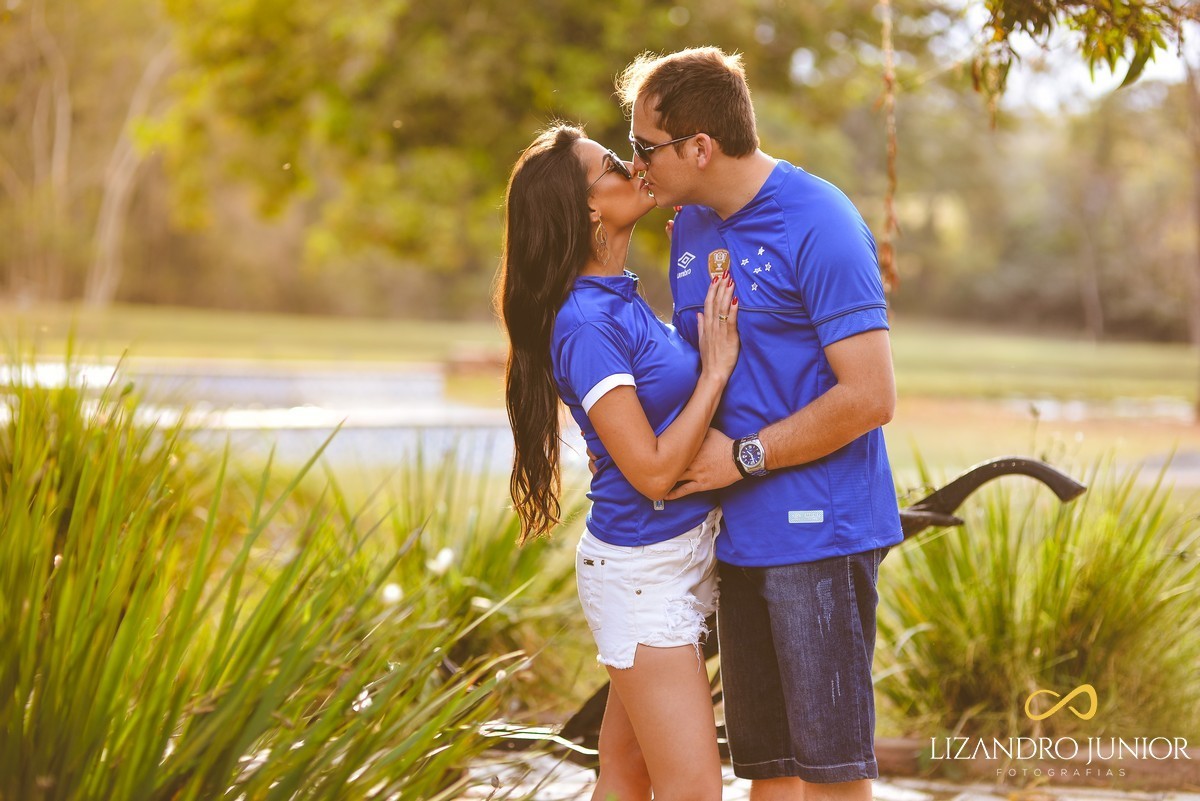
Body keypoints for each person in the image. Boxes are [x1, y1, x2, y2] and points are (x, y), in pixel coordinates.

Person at [616, 48, 903, 801]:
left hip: (822, 536)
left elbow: (871, 395)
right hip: (735, 537)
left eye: (645, 148)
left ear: (699, 147)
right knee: (766, 769)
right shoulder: (690, 229)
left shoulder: (822, 222)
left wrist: (743, 456)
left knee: (832, 774)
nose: (634, 164)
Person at [496, 123, 740, 801]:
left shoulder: (617, 298)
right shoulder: (587, 323)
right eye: (612, 163)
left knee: (627, 775)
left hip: (669, 556)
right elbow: (655, 471)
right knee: (695, 788)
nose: (635, 165)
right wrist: (714, 373)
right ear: (589, 208)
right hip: (644, 572)